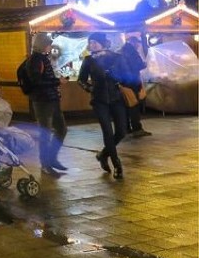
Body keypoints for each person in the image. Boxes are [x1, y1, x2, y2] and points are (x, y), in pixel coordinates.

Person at [78, 32, 130, 179]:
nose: (91, 45)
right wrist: (90, 88)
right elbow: (81, 80)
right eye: (90, 42)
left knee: (121, 131)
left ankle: (103, 155)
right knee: (107, 132)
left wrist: (117, 77)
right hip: (99, 100)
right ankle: (117, 164)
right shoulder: (88, 60)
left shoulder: (116, 57)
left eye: (94, 42)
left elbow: (125, 76)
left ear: (103, 43)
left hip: (116, 99)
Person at [26, 33, 68, 175]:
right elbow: (36, 82)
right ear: (43, 45)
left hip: (52, 100)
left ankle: (52, 158)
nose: (50, 46)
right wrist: (57, 82)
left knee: (61, 129)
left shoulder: (44, 58)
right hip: (42, 102)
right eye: (48, 43)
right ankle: (45, 164)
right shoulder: (36, 60)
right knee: (45, 133)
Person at [119, 37, 151, 137]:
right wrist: (144, 64)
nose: (138, 45)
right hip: (132, 82)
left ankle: (126, 128)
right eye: (137, 43)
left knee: (125, 106)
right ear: (133, 42)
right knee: (134, 105)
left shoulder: (120, 51)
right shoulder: (132, 52)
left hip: (122, 83)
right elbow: (138, 65)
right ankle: (137, 129)